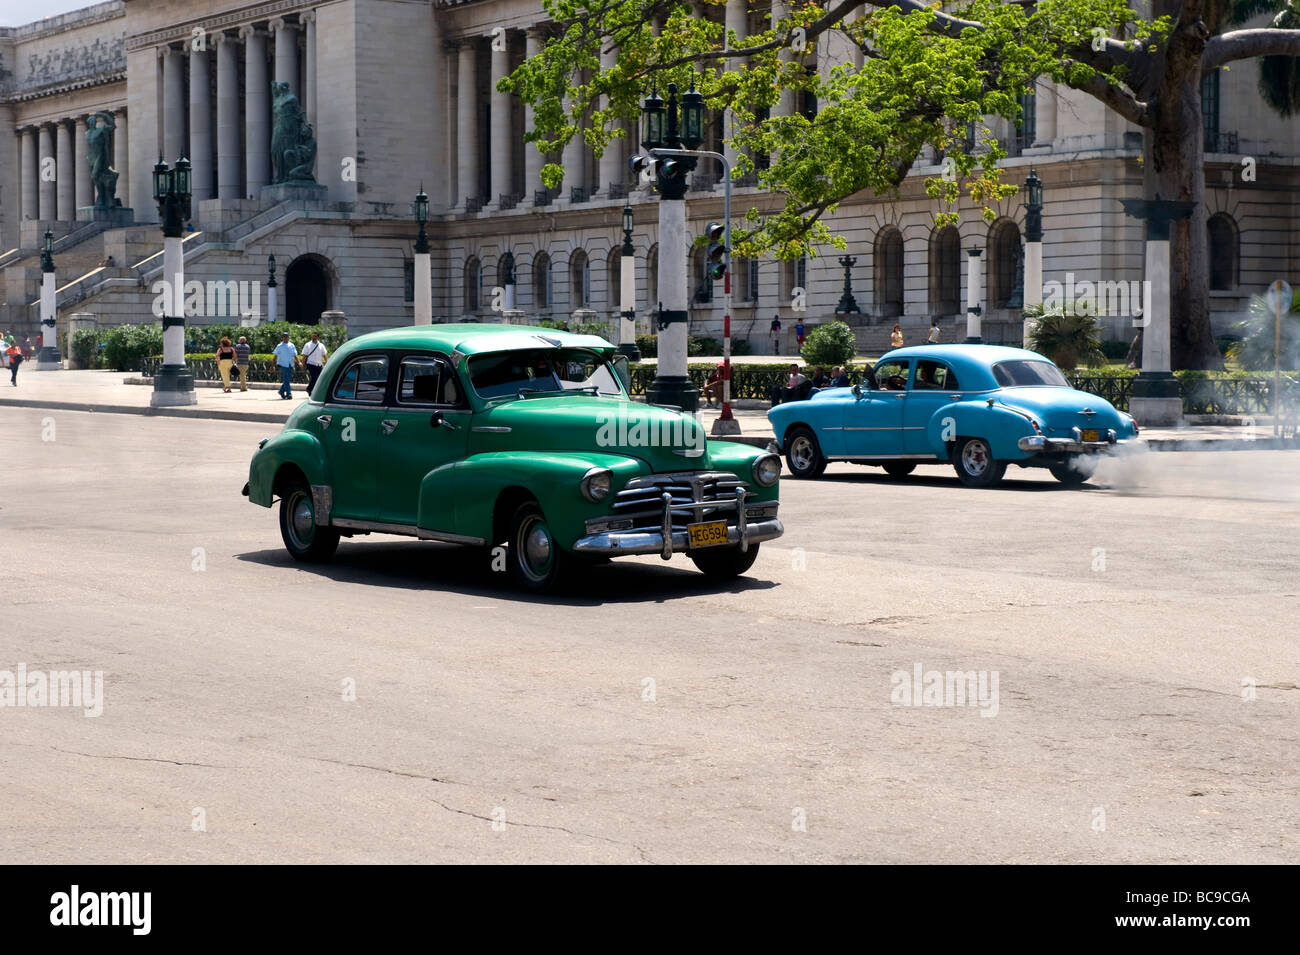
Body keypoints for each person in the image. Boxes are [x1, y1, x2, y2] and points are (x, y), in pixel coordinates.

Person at [273, 331, 298, 399]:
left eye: (286, 336)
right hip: (283, 365)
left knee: (288, 380)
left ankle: (281, 391)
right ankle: (289, 394)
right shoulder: (279, 346)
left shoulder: (292, 345)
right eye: (284, 336)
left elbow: (295, 355)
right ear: (282, 337)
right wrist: (272, 366)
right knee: (286, 379)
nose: (285, 337)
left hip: (290, 364)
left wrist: (299, 362)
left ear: (288, 337)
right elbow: (275, 356)